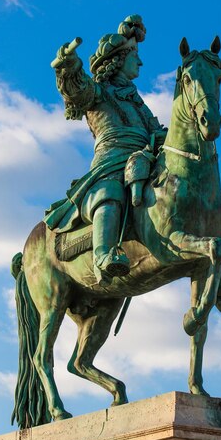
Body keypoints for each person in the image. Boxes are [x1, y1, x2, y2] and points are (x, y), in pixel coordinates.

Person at [44, 15, 167, 285]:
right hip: (111, 160)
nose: (141, 61)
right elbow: (77, 90)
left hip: (143, 156)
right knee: (109, 191)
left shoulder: (137, 101)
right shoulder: (98, 91)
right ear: (118, 59)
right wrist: (69, 65)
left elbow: (154, 131)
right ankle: (103, 254)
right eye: (134, 55)